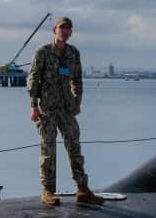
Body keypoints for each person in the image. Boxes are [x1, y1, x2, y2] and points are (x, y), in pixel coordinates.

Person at [27, 16, 104, 206]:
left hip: (67, 109)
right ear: (55, 30)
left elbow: (77, 79)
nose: (65, 31)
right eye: (62, 27)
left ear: (71, 32)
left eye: (68, 28)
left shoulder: (73, 53)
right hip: (47, 109)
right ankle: (48, 191)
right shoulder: (43, 52)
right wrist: (33, 105)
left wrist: (78, 102)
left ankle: (83, 189)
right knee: (48, 150)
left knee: (74, 146)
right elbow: (33, 79)